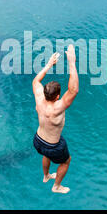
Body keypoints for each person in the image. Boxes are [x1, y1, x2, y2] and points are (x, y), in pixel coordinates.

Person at [32, 45, 79, 194]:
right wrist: (72, 61)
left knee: (46, 154)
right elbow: (74, 90)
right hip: (53, 145)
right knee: (66, 161)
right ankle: (56, 186)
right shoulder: (58, 107)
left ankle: (46, 176)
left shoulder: (39, 97)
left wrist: (48, 65)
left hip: (38, 140)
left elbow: (35, 82)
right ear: (57, 96)